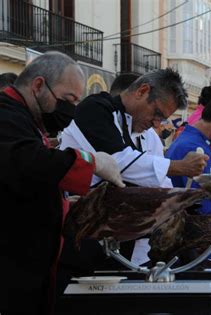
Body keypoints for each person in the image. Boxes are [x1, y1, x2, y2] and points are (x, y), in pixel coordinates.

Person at [0, 51, 124, 315]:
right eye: (68, 99)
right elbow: (30, 162)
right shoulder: (5, 114)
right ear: (38, 86)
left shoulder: (29, 120)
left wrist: (63, 202)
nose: (70, 109)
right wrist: (93, 162)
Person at [60, 68, 208, 188]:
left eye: (162, 119)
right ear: (142, 91)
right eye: (156, 113)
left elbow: (161, 185)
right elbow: (118, 161)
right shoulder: (95, 108)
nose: (156, 124)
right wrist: (180, 166)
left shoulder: (146, 133)